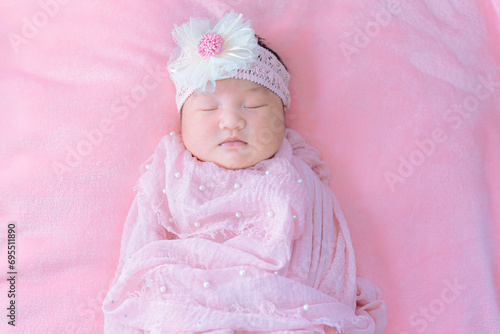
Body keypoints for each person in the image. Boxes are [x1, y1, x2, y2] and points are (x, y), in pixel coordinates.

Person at [102, 11, 387, 333]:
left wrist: (325, 301)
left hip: (282, 303)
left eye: (254, 106)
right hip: (186, 296)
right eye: (209, 108)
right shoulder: (170, 167)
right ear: (182, 124)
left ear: (283, 118)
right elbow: (142, 246)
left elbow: (325, 251)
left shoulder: (295, 172)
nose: (232, 121)